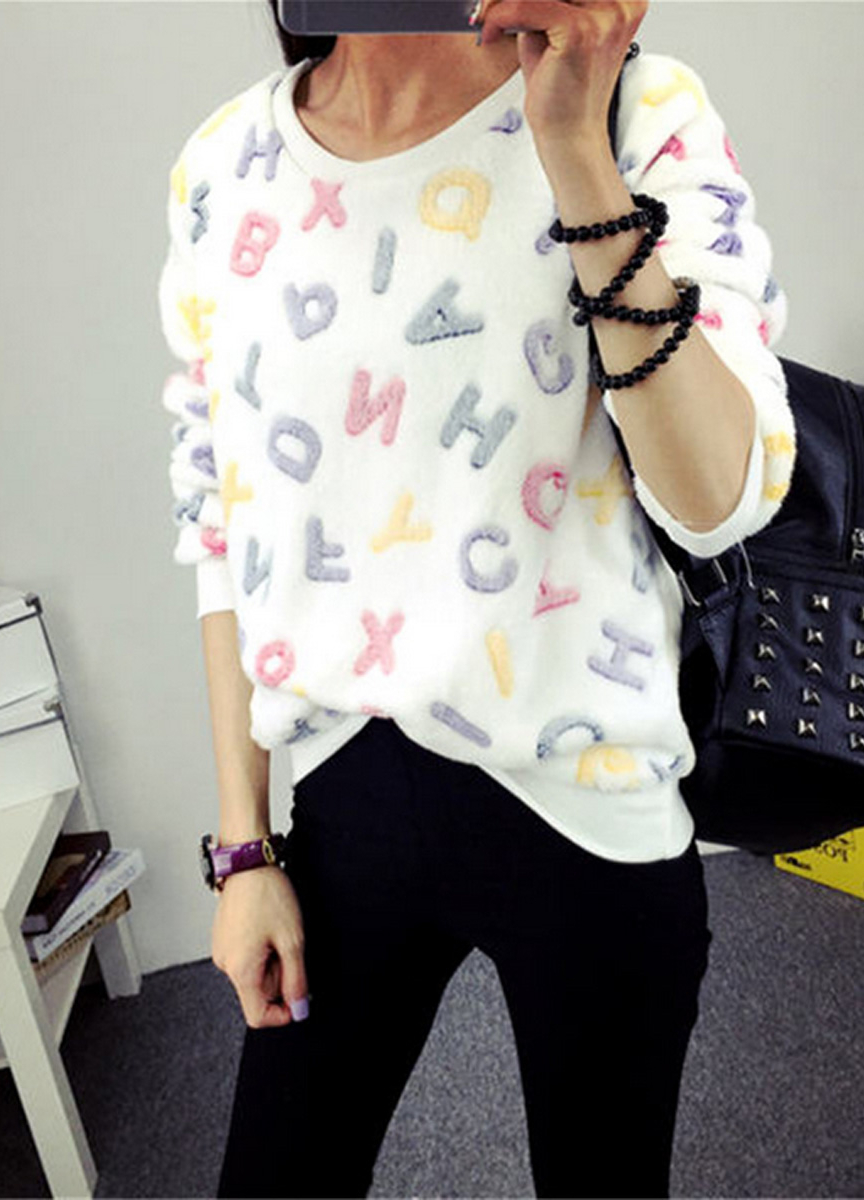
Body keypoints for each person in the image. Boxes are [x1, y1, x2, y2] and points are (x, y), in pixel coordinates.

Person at [158, 1, 795, 1194]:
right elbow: (219, 523)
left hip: (587, 794)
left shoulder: (634, 111)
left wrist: (576, 152)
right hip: (344, 792)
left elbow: (719, 500)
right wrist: (243, 848)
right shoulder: (223, 167)